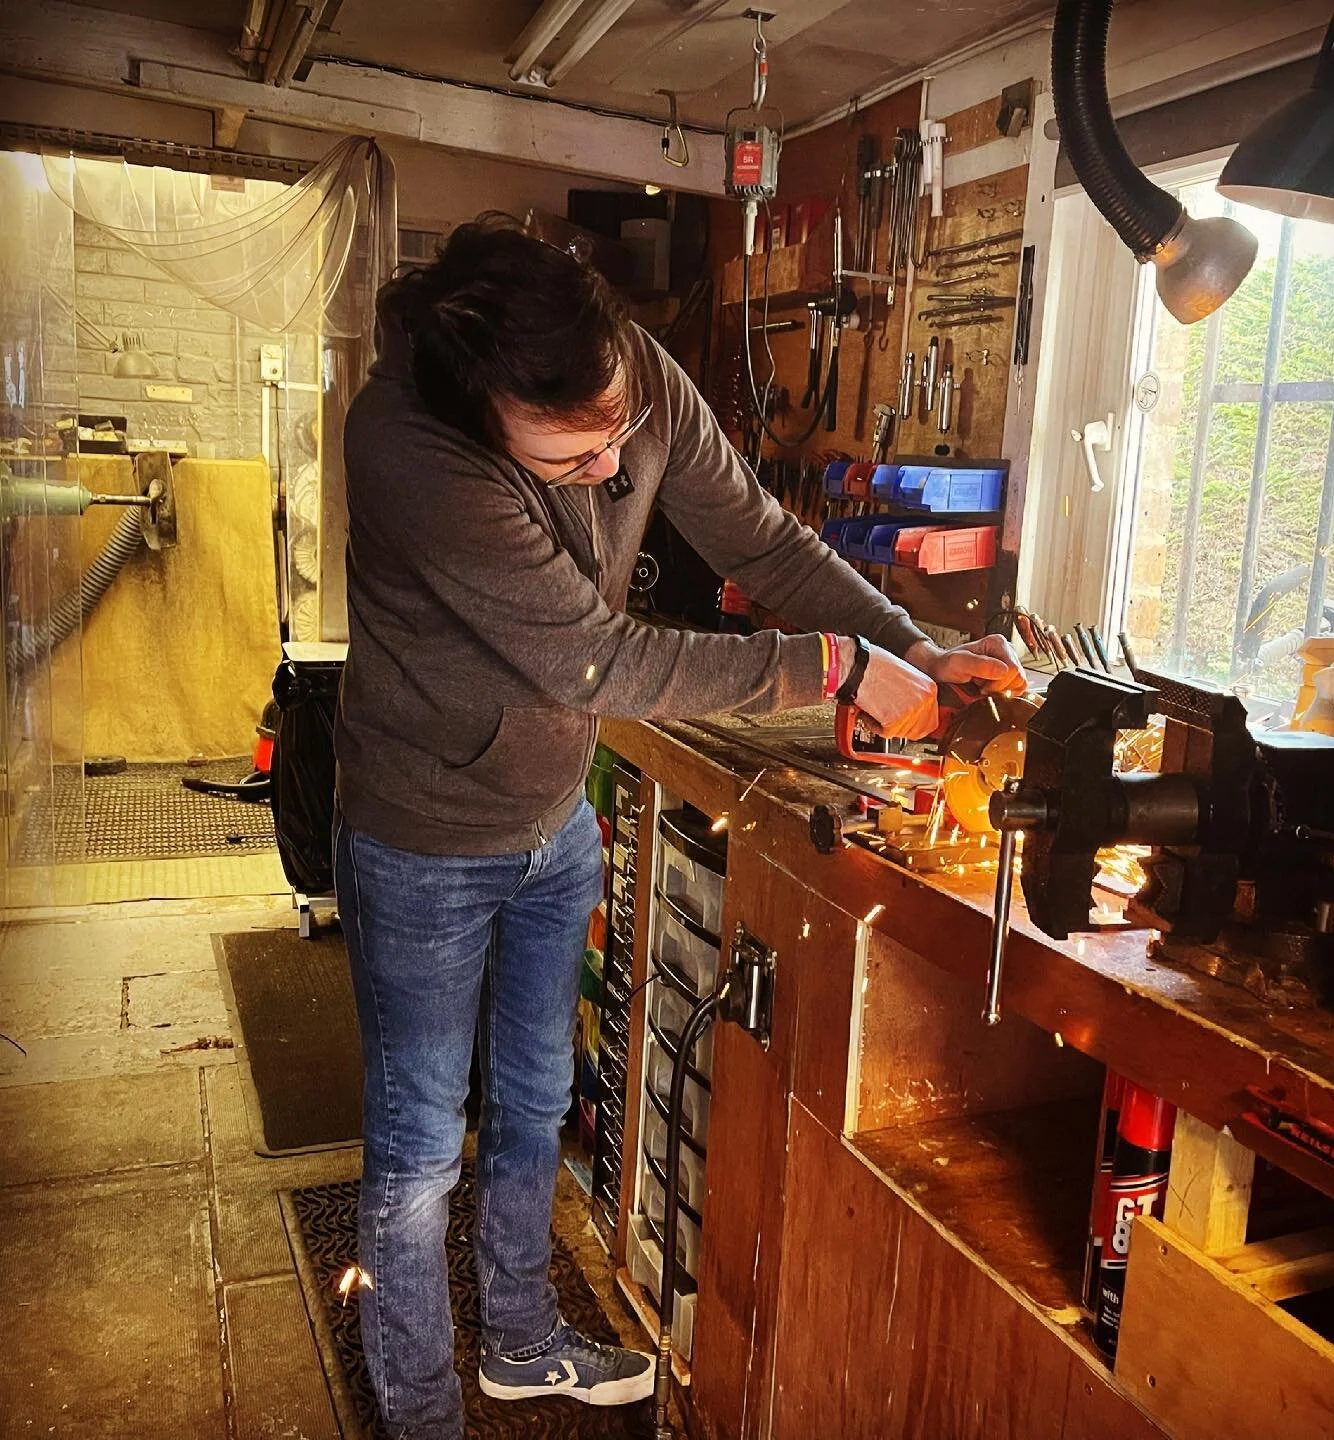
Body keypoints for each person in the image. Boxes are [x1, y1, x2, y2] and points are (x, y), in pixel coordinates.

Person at [334, 213, 1023, 1438]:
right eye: (576, 454)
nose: (612, 471)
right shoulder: (404, 445)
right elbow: (598, 662)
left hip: (550, 818)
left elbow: (757, 534)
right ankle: (418, 1414)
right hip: (425, 831)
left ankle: (521, 1342)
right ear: (485, 403)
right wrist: (835, 669)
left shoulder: (629, 378)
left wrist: (910, 645)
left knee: (540, 1097)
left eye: (618, 435)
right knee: (418, 1151)